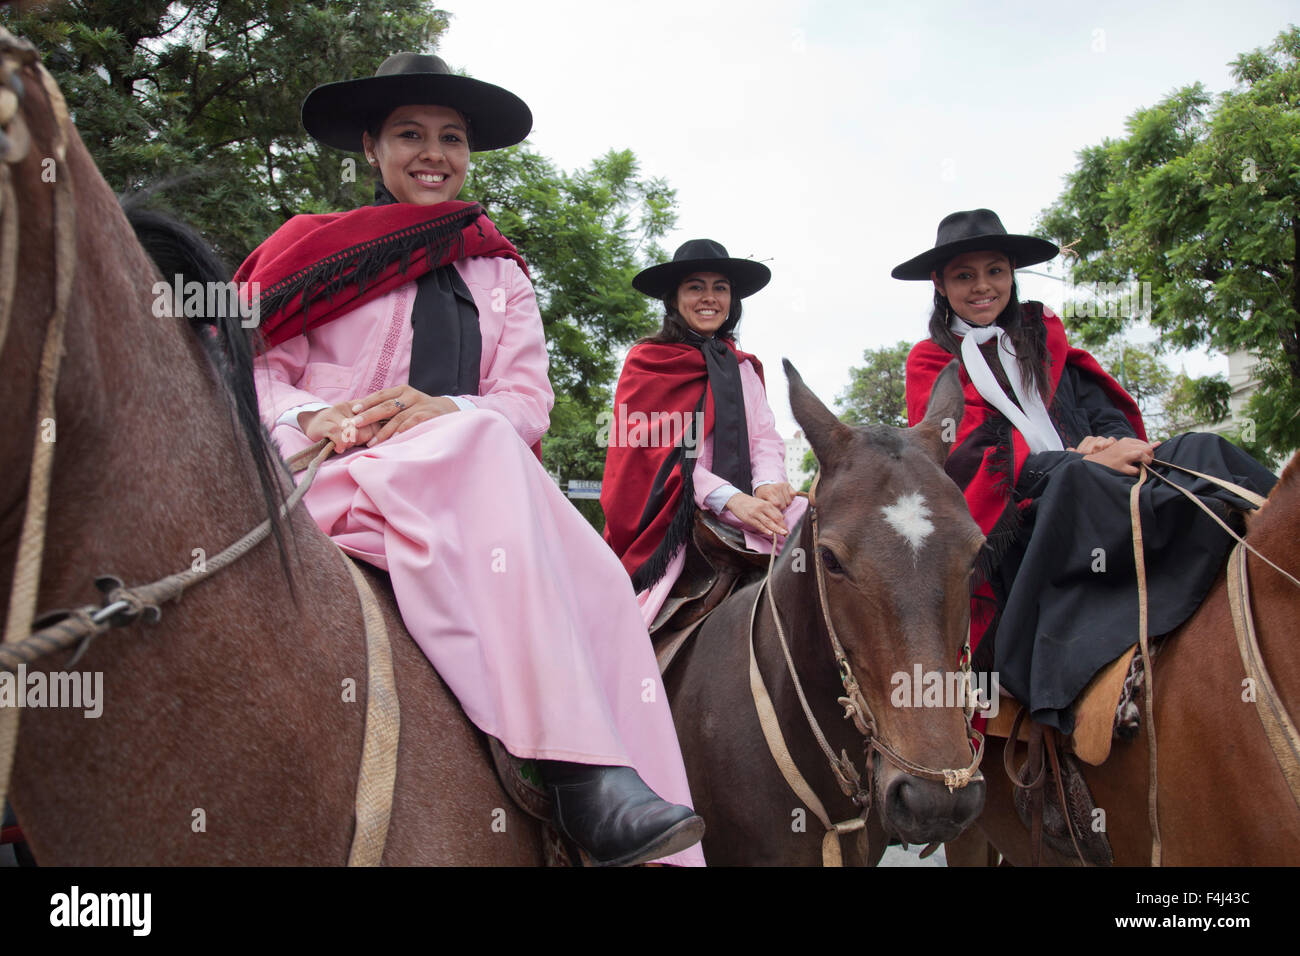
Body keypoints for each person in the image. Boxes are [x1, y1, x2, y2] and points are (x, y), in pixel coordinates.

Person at [236, 52, 704, 866]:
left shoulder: (501, 273)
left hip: (468, 488)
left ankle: (625, 807)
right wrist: (319, 412)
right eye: (410, 133)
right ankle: (578, 766)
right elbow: (255, 374)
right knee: (481, 443)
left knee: (597, 575)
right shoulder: (308, 248)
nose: (434, 152)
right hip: (335, 473)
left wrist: (444, 408)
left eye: (451, 138)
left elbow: (526, 406)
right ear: (371, 147)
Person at [898, 209, 1277, 735]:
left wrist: (1114, 441)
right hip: (1021, 512)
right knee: (1079, 484)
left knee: (1201, 448)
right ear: (940, 284)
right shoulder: (931, 360)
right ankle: (1079, 686)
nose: (983, 287)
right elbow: (968, 455)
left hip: (1088, 474)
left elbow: (1096, 404)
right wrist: (1077, 462)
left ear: (1011, 274)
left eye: (995, 271)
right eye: (965, 275)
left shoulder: (1042, 332)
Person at [601, 239, 808, 627]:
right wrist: (729, 500)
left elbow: (763, 435)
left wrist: (767, 483)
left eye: (720, 287)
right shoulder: (648, 362)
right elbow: (655, 452)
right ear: (674, 298)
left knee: (831, 538)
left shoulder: (743, 367)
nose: (709, 298)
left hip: (752, 502)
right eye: (695, 287)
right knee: (634, 626)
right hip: (679, 512)